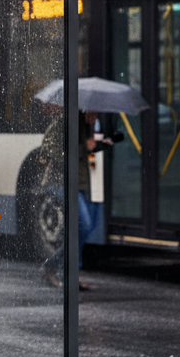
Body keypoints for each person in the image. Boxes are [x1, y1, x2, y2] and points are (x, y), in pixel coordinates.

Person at [39, 109, 106, 291]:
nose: (97, 116)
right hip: (60, 183)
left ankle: (68, 273)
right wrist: (85, 146)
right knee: (82, 226)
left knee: (80, 229)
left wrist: (100, 144)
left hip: (79, 184)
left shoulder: (88, 126)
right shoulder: (65, 120)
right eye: (95, 112)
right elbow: (49, 148)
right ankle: (54, 266)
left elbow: (85, 154)